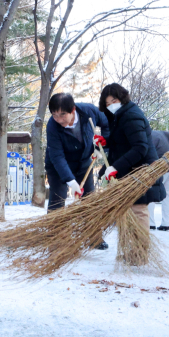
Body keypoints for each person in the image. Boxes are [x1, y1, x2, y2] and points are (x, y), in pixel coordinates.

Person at [98, 83, 166, 233]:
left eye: (114, 101)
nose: (111, 106)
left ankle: (139, 253)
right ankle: (129, 251)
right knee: (126, 210)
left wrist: (116, 167)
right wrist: (106, 141)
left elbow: (140, 147)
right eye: (107, 104)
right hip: (130, 170)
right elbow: (123, 140)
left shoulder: (131, 116)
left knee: (138, 209)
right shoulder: (120, 116)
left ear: (122, 98)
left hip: (140, 171)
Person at [45, 93, 109, 249]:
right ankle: (55, 239)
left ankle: (94, 238)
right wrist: (70, 180)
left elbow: (107, 124)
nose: (59, 119)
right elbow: (57, 156)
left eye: (62, 115)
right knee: (57, 200)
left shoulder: (89, 111)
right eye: (54, 115)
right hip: (58, 167)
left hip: (83, 163)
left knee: (90, 200)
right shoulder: (52, 126)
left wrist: (102, 145)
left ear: (73, 110)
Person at [147, 130, 169, 231]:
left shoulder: (147, 137)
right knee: (167, 195)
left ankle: (150, 223)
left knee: (151, 193)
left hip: (161, 167)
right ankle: (165, 224)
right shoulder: (161, 133)